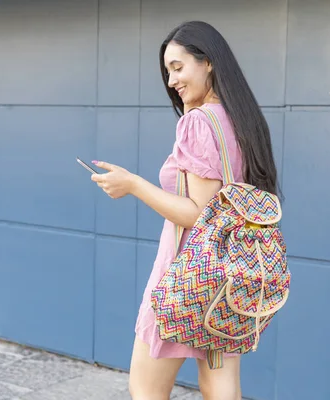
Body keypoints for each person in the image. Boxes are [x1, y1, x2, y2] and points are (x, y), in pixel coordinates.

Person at [90, 20, 280, 400]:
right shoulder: (243, 119)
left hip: (186, 277)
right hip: (231, 278)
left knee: (145, 388)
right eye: (167, 71)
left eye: (178, 67)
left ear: (208, 62)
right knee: (220, 385)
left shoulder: (197, 122)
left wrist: (133, 184)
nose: (172, 80)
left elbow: (199, 213)